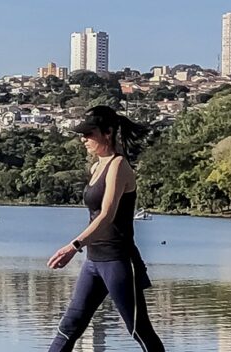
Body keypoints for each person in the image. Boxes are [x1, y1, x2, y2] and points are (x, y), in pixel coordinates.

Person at [46, 105, 165, 352]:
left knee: (139, 331)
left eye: (89, 134)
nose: (84, 139)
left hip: (118, 261)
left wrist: (73, 246)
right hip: (94, 262)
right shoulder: (96, 167)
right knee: (69, 327)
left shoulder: (119, 165)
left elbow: (107, 215)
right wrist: (82, 248)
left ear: (107, 133)